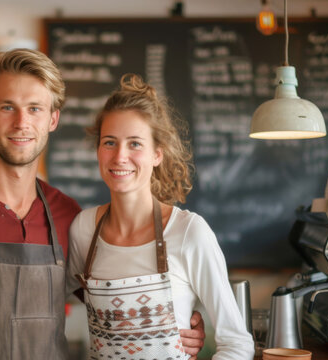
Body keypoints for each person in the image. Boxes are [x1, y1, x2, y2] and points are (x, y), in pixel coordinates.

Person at [0, 49, 205, 360]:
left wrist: (180, 323)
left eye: (35, 108)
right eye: (7, 107)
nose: (22, 122)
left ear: (53, 119)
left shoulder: (69, 216)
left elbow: (112, 299)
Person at [66, 74, 255, 359]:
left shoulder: (189, 232)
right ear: (98, 151)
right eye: (109, 142)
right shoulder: (84, 229)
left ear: (157, 154)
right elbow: (49, 303)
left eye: (135, 144)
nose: (119, 156)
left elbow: (237, 344)